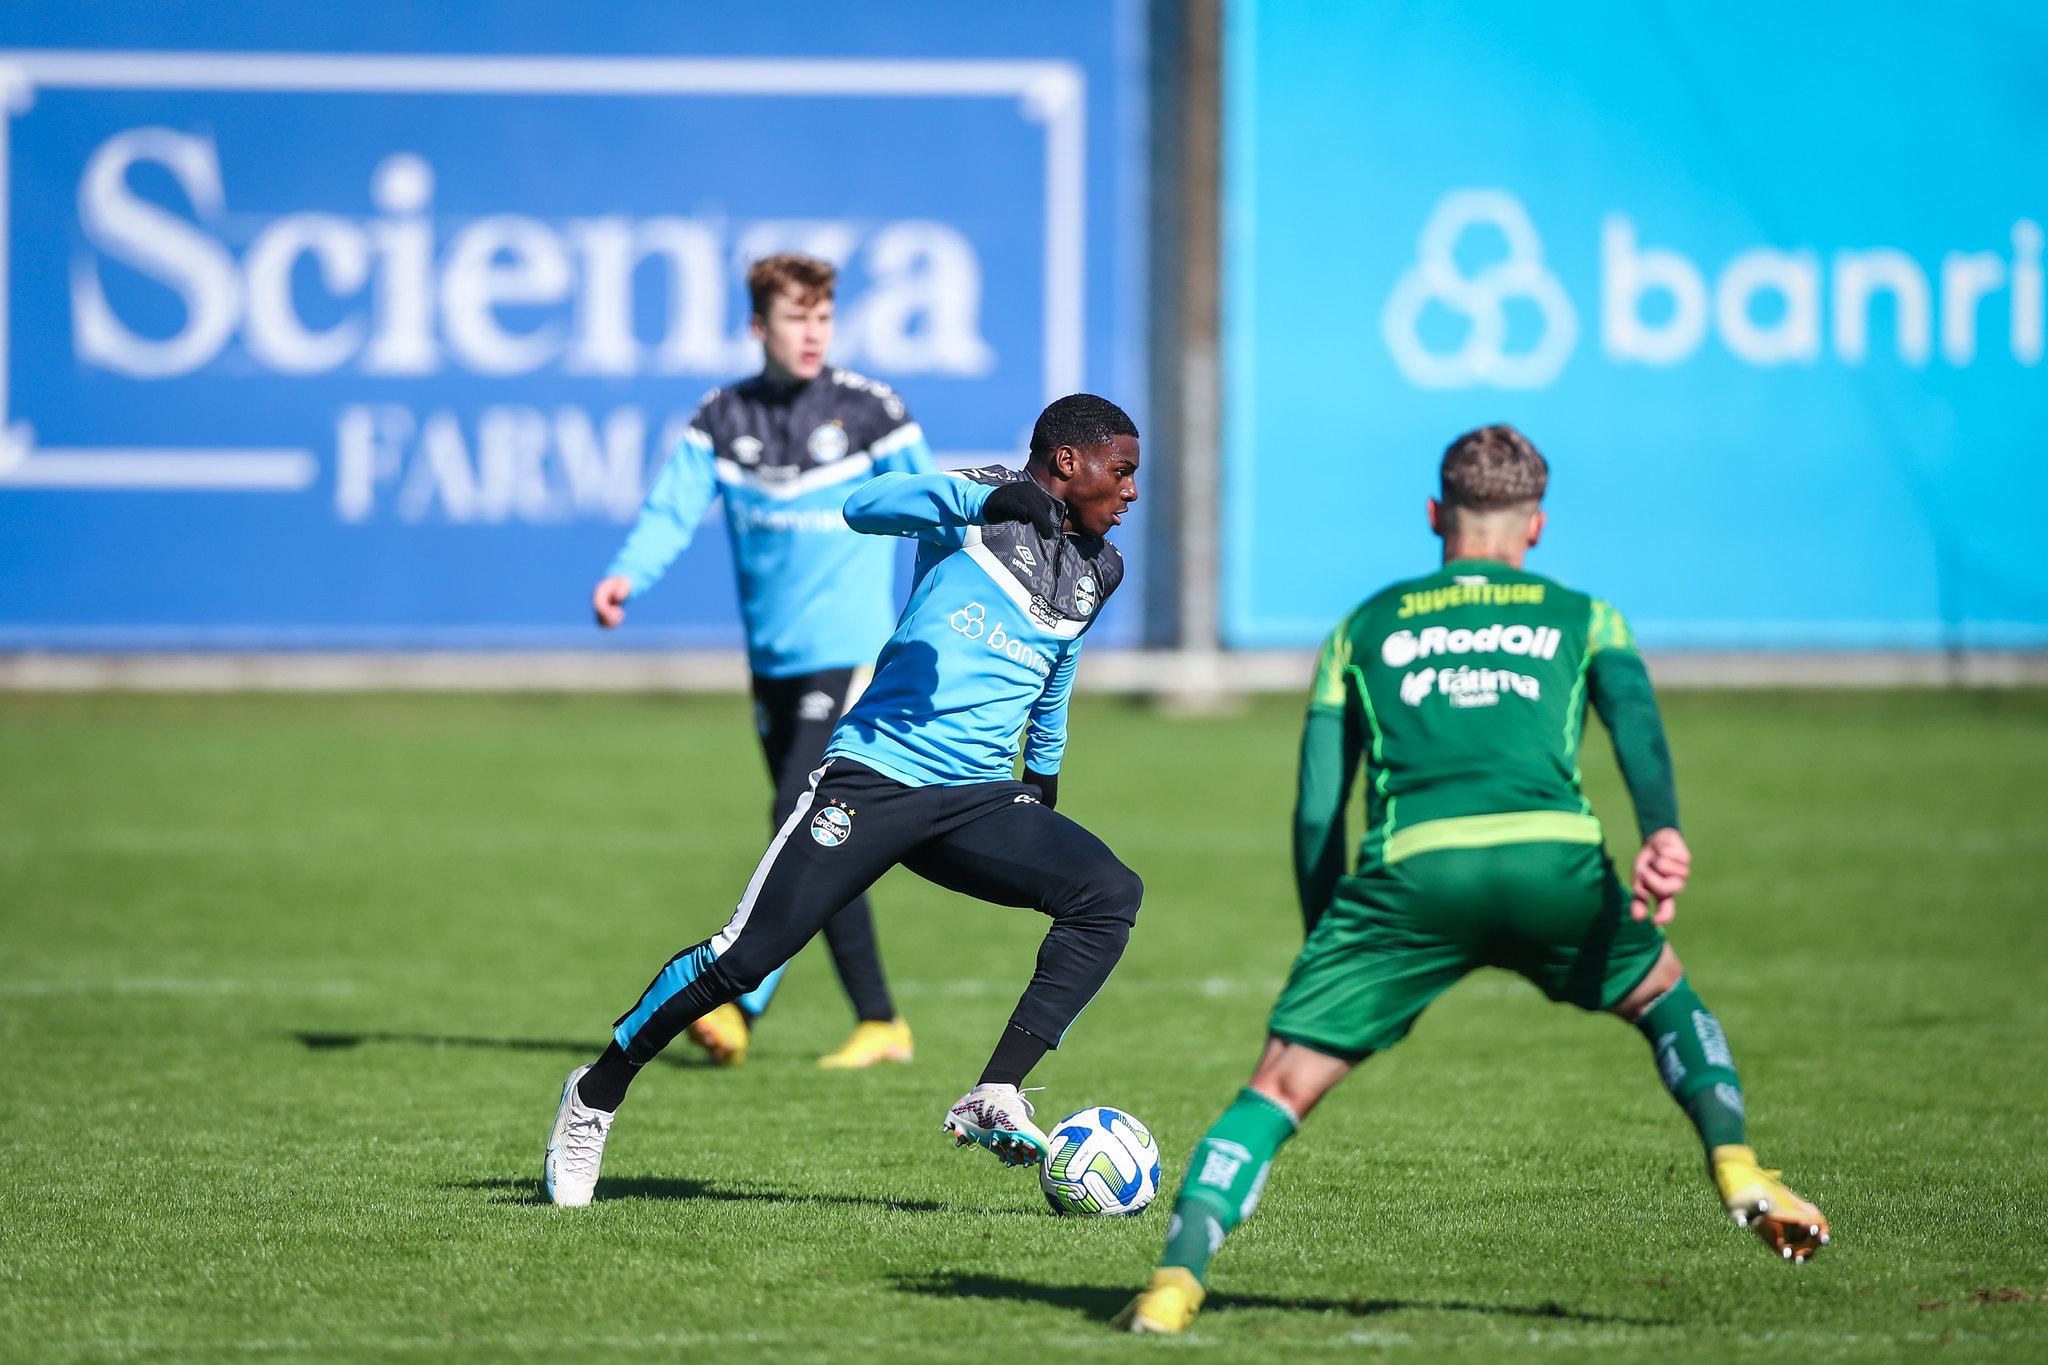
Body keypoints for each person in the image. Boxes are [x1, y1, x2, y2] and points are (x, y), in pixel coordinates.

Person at [1116, 424, 1829, 1334]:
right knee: (1662, 995)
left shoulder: (1361, 627)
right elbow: (1637, 724)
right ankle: (1736, 1161)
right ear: (1535, 526)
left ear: (1434, 515)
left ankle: (1175, 1284)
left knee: (1280, 1085)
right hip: (1551, 860)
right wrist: (1662, 831)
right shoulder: (1586, 615)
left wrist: (1326, 936)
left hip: (1415, 873)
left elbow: (1316, 808)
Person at [544, 393, 1146, 1208]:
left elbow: (1057, 670)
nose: (1131, 490)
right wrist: (984, 499)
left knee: (1108, 893)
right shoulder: (977, 502)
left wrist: (1042, 777)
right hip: (876, 776)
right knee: (744, 957)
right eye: (1122, 470)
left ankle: (995, 1089)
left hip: (978, 797)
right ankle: (595, 1094)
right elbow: (864, 505)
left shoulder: (1102, 568)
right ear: (1069, 461)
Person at [592, 254, 931, 1070]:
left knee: (796, 814)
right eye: (795, 317)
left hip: (850, 658)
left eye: (823, 317)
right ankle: (880, 1020)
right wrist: (628, 574)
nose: (813, 333)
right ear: (758, 326)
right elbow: (672, 508)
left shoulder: (871, 411)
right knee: (823, 832)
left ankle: (740, 1001)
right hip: (772, 664)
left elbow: (938, 505)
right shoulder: (723, 416)